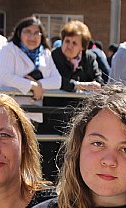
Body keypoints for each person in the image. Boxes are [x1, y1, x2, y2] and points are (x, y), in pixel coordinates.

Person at [43, 20, 104, 180]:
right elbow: (57, 81)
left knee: (75, 160)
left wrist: (88, 86)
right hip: (53, 116)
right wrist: (81, 86)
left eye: (74, 43)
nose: (69, 46)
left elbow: (98, 83)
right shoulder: (53, 56)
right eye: (66, 41)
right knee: (50, 162)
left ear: (82, 46)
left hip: (79, 117)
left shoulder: (90, 58)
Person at [0, 16, 61, 126]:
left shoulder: (45, 53)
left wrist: (39, 85)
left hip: (34, 113)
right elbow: (4, 77)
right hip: (9, 111)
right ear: (19, 33)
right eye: (27, 32)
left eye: (36, 33)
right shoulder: (9, 49)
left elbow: (57, 81)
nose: (32, 37)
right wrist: (31, 85)